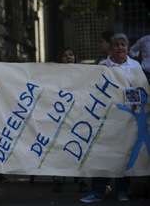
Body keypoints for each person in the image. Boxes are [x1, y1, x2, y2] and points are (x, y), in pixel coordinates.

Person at [80, 33, 142, 203]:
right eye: (116, 45)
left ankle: (122, 190)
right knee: (102, 155)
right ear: (111, 48)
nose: (120, 48)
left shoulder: (135, 65)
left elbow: (139, 89)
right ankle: (97, 191)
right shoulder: (103, 66)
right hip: (106, 119)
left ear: (128, 48)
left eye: (123, 44)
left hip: (128, 119)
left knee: (124, 155)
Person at [52, 47, 88, 193]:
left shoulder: (84, 74)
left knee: (80, 147)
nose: (68, 57)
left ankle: (83, 180)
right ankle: (60, 179)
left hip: (79, 116)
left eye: (71, 54)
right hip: (61, 117)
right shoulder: (54, 76)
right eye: (65, 55)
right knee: (61, 147)